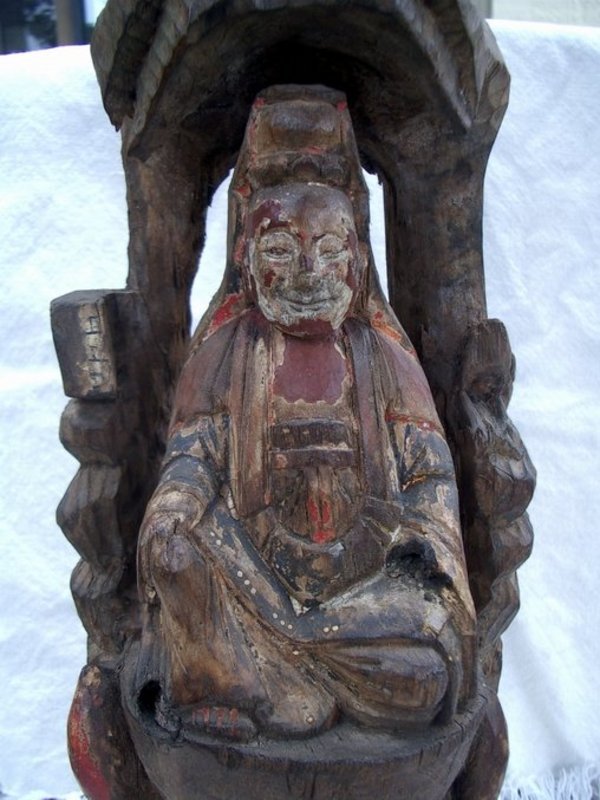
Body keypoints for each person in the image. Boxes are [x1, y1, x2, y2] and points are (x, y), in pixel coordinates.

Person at [133, 85, 476, 742]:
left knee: (423, 671)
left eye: (329, 249)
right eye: (281, 251)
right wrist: (175, 504)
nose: (308, 271)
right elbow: (195, 456)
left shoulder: (383, 358)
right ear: (247, 261)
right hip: (253, 577)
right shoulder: (228, 353)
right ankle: (261, 670)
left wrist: (418, 546)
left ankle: (256, 681)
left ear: (358, 258)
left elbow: (430, 476)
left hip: (365, 588)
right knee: (182, 558)